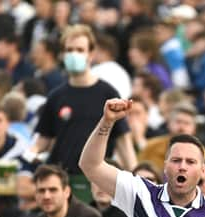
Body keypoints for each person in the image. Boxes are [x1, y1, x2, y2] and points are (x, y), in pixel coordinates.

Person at [28, 24, 136, 197]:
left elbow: (124, 141)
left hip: (97, 183)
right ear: (62, 55)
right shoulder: (56, 96)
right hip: (63, 181)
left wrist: (135, 178)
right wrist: (29, 156)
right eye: (69, 50)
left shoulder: (107, 94)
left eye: (80, 49)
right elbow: (43, 139)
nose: (74, 54)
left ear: (91, 54)